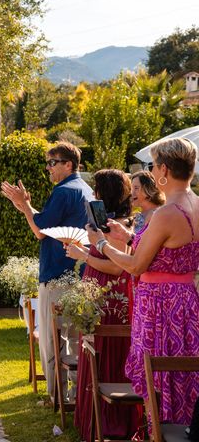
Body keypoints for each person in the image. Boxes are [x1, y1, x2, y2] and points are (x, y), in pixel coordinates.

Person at [87, 137, 199, 426]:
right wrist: (129, 238)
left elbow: (136, 266)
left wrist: (101, 244)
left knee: (157, 381)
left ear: (163, 170)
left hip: (159, 305)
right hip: (185, 300)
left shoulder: (165, 214)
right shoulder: (195, 204)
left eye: (153, 166)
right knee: (182, 375)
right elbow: (170, 248)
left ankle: (157, 432)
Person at [1, 141, 94, 400]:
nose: (48, 168)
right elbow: (46, 227)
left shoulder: (63, 192)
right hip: (81, 273)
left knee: (52, 339)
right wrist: (25, 206)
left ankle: (56, 396)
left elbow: (40, 230)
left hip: (56, 274)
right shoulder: (85, 189)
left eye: (53, 163)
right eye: (48, 163)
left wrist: (25, 205)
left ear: (68, 164)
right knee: (76, 338)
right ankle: (78, 396)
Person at [65, 169, 141, 441]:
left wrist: (83, 255)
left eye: (97, 190)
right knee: (93, 348)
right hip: (99, 295)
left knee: (107, 352)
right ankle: (92, 419)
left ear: (105, 193)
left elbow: (116, 269)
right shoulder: (107, 222)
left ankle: (110, 423)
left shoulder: (118, 226)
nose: (93, 195)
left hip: (111, 300)